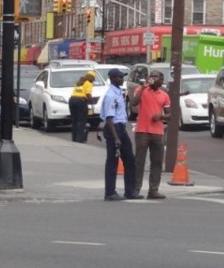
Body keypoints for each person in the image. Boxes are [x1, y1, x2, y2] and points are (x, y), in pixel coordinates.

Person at [98, 68, 138, 201]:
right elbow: (109, 118)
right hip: (114, 129)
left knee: (130, 159)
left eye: (122, 77)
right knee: (112, 161)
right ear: (113, 78)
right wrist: (116, 138)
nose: (122, 79)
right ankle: (110, 192)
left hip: (121, 127)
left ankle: (130, 191)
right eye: (120, 77)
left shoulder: (118, 92)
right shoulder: (111, 95)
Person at [130, 70, 170, 200]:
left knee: (157, 162)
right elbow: (134, 103)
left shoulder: (164, 95)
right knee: (139, 161)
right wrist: (143, 86)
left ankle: (153, 190)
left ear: (161, 80)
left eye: (155, 76)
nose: (152, 78)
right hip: (142, 131)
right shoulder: (141, 90)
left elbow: (170, 114)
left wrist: (161, 116)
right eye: (150, 76)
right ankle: (135, 189)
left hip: (158, 132)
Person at [68, 71, 95, 143]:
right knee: (81, 121)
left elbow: (77, 92)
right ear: (91, 78)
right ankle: (79, 139)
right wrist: (91, 101)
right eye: (93, 79)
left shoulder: (79, 82)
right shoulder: (88, 83)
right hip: (81, 101)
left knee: (74, 120)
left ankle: (74, 138)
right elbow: (88, 94)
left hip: (72, 100)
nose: (93, 81)